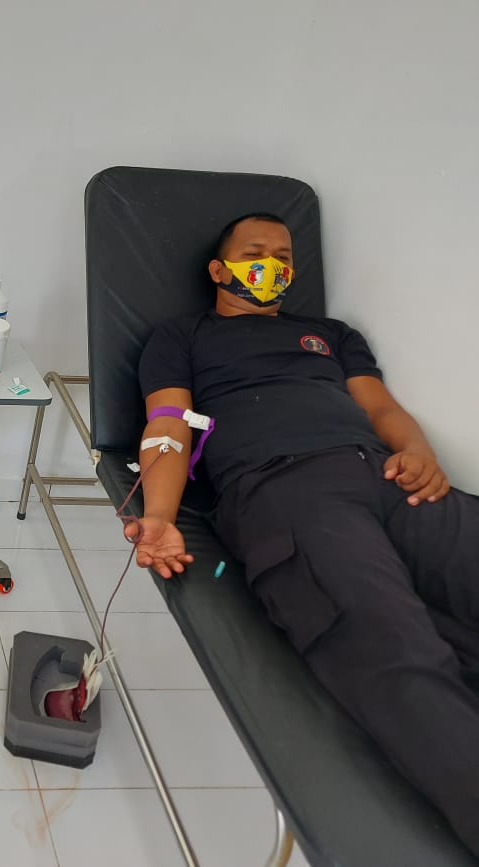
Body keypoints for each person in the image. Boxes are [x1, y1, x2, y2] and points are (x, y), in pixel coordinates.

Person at [129, 213, 479, 855]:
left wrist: (421, 455)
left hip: (388, 475)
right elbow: (169, 424)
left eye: (284, 256)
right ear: (218, 269)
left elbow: (380, 408)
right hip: (284, 490)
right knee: (391, 644)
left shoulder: (332, 335)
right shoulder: (182, 336)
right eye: (255, 252)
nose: (273, 264)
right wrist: (162, 514)